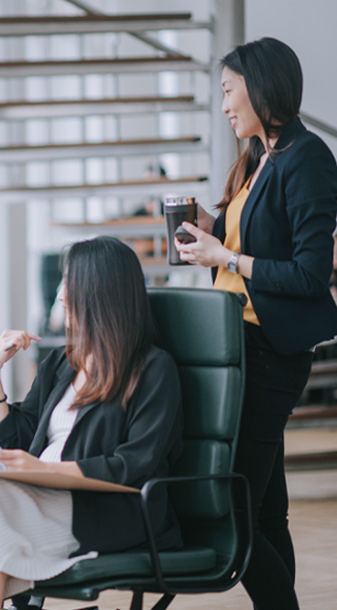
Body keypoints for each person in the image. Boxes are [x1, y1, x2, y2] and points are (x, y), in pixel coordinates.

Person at [175, 38, 337, 610]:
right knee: (266, 509)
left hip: (269, 351)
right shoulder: (257, 158)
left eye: (227, 90)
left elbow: (311, 275)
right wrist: (208, 226)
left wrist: (226, 259)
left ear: (261, 85)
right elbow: (252, 237)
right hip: (237, 344)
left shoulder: (308, 157)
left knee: (232, 508)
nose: (223, 105)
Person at [0, 237, 184, 609]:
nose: (59, 296)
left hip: (104, 507)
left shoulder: (152, 368)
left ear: (98, 292)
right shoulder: (63, 362)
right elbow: (17, 438)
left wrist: (43, 470)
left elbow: (134, 464)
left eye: (68, 284)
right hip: (42, 494)